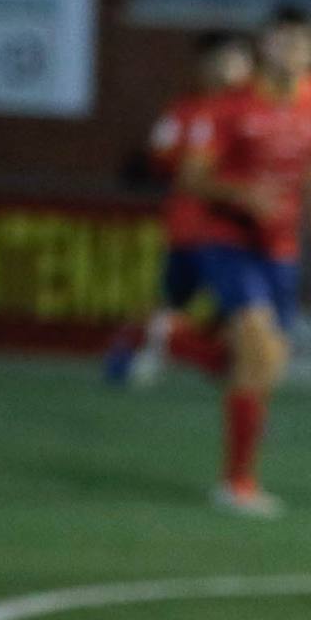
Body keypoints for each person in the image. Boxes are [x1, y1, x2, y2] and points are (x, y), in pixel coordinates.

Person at [171, 5, 311, 515]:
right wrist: (245, 196)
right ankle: (237, 483)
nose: (291, 53)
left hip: (281, 247)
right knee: (259, 349)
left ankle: (173, 338)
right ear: (264, 47)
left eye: (301, 44)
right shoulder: (228, 107)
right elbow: (192, 177)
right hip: (228, 240)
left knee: (266, 364)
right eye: (281, 42)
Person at [105, 30, 254, 390]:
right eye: (220, 61)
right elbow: (155, 161)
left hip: (242, 233)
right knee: (178, 303)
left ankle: (161, 350)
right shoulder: (186, 112)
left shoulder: (257, 113)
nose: (229, 70)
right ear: (204, 66)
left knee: (237, 314)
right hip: (191, 230)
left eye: (237, 60)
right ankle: (139, 353)